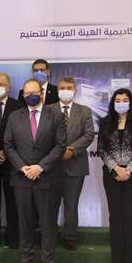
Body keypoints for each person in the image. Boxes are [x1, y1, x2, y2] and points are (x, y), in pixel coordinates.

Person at [4, 78, 66, 263]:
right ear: (23, 95)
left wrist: (40, 167)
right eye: (27, 93)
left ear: (41, 93)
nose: (31, 95)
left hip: (46, 178)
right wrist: (23, 167)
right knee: (24, 223)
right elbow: (8, 145)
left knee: (48, 223)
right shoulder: (14, 117)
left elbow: (60, 145)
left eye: (35, 92)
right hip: (21, 179)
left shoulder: (55, 115)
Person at [97, 88, 132, 263]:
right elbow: (101, 149)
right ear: (113, 103)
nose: (121, 103)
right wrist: (116, 168)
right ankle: (116, 260)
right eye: (117, 100)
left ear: (130, 102)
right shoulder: (105, 122)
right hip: (111, 174)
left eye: (124, 100)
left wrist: (128, 170)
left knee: (130, 215)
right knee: (116, 216)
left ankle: (129, 261)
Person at [50, 77, 95, 251]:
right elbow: (43, 133)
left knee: (71, 204)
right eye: (62, 88)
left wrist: (72, 149)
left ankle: (69, 237)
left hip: (75, 165)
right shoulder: (48, 110)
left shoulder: (85, 111)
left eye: (69, 88)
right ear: (58, 90)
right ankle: (49, 236)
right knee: (50, 204)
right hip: (52, 166)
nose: (65, 91)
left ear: (75, 90)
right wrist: (58, 151)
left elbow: (89, 135)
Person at [0, 72, 23, 248]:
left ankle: (13, 239)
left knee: (12, 202)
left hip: (12, 162)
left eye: (1, 84)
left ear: (9, 87)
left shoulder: (18, 106)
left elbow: (21, 133)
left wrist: (6, 152)